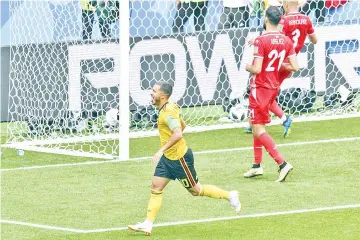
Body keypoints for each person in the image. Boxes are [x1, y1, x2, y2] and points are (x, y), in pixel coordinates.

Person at [128, 81, 241, 236]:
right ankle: (148, 224)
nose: (151, 93)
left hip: (180, 159)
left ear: (163, 96)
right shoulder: (171, 107)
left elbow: (178, 133)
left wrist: (160, 150)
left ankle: (230, 195)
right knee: (156, 187)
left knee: (197, 190)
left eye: (154, 91)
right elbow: (183, 125)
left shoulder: (167, 113)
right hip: (169, 159)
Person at [245, 0, 318, 138]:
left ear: (285, 4)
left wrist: (257, 39)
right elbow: (314, 40)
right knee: (265, 91)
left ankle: (284, 119)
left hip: (277, 60)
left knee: (263, 90)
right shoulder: (306, 19)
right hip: (290, 60)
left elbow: (275, 38)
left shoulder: (284, 20)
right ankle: (252, 123)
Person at [244, 6, 299, 182]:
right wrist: (278, 66)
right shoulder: (286, 40)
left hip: (260, 87)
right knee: (255, 124)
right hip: (273, 86)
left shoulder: (261, 41)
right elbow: (295, 66)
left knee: (259, 128)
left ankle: (282, 164)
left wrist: (247, 67)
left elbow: (257, 68)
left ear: (266, 19)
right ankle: (257, 165)